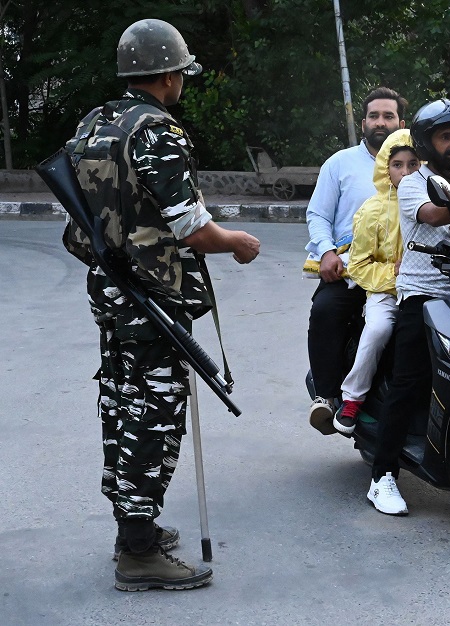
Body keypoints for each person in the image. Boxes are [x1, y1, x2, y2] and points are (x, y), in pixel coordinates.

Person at [64, 19, 260, 591]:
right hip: (151, 294)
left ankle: (135, 528)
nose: (182, 84)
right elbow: (192, 227)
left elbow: (84, 218)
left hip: (114, 290)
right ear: (169, 75)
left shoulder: (95, 124)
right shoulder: (156, 130)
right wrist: (238, 244)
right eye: (182, 74)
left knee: (122, 404)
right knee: (153, 415)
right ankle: (139, 553)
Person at [366, 99, 450, 515]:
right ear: (426, 142)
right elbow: (433, 216)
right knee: (410, 381)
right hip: (422, 295)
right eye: (446, 136)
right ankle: (382, 477)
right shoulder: (411, 183)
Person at [305, 87, 407, 431]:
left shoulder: (416, 167)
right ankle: (327, 397)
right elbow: (317, 215)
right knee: (325, 310)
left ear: (401, 123)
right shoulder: (340, 164)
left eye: (388, 116)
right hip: (349, 265)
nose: (381, 122)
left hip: (404, 271)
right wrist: (327, 251)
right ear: (363, 122)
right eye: (374, 116)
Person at [332, 129, 420, 434]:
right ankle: (352, 398)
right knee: (379, 328)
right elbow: (358, 265)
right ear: (385, 168)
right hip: (385, 292)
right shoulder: (372, 210)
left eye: (413, 164)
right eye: (398, 164)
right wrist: (395, 274)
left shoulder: (433, 203)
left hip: (427, 288)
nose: (406, 172)